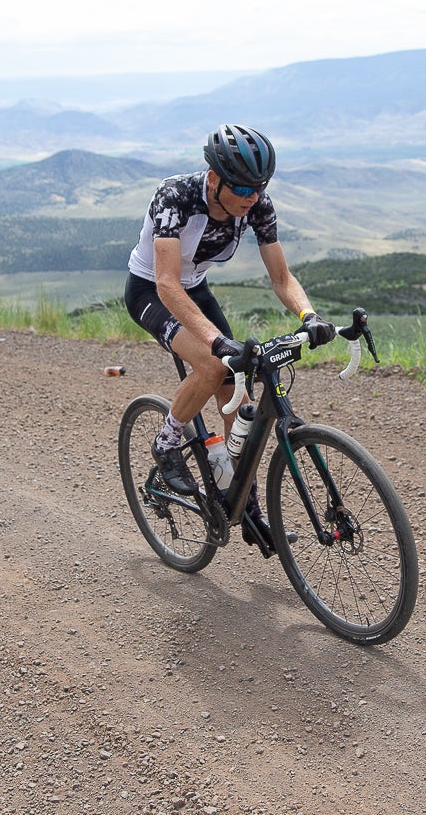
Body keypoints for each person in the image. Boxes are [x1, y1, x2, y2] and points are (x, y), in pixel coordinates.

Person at [125, 124, 337, 554]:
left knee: (237, 400)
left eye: (259, 187)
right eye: (241, 186)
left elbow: (281, 277)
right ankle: (167, 445)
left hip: (196, 287)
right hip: (152, 289)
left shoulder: (257, 205)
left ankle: (244, 504)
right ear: (214, 177)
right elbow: (167, 284)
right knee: (213, 363)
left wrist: (308, 314)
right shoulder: (175, 195)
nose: (251, 196)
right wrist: (214, 340)